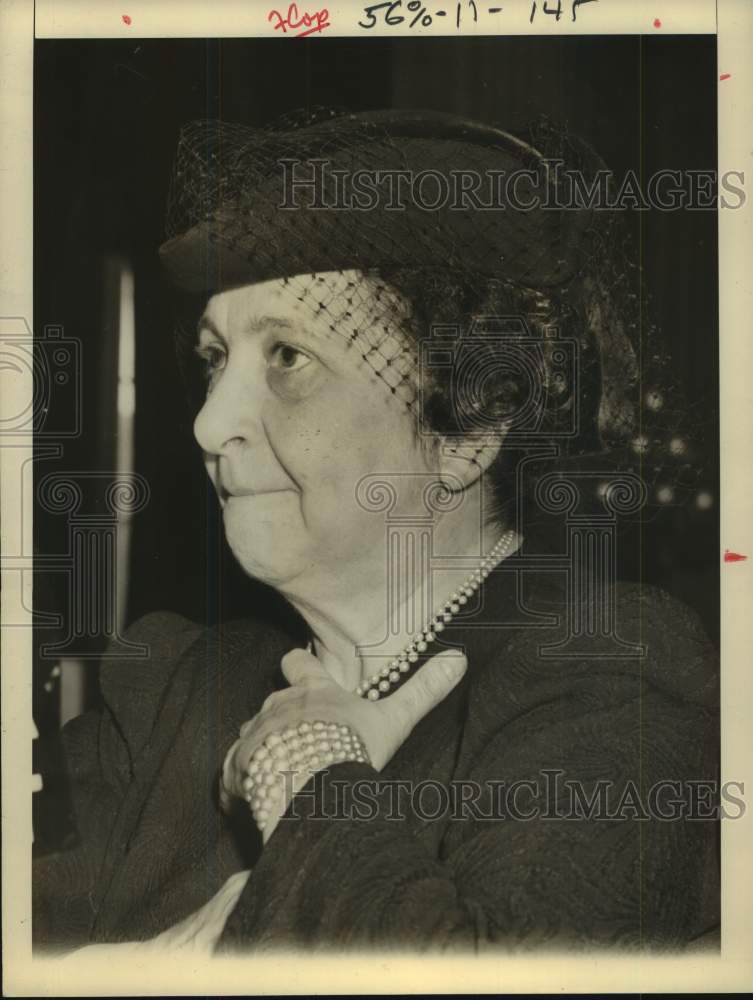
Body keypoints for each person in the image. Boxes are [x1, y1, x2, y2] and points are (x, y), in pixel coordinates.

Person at [33, 109, 719, 954]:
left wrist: (308, 769)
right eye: (216, 360)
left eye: (287, 357)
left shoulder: (607, 677)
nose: (210, 424)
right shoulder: (176, 688)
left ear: (468, 426)